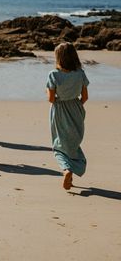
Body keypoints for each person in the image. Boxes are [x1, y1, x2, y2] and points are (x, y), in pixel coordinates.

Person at [46, 42, 89, 190]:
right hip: (76, 107)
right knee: (73, 141)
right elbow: (85, 97)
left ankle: (66, 169)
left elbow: (51, 98)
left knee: (59, 144)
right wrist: (76, 105)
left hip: (59, 109)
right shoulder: (80, 73)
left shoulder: (54, 74)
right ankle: (72, 169)